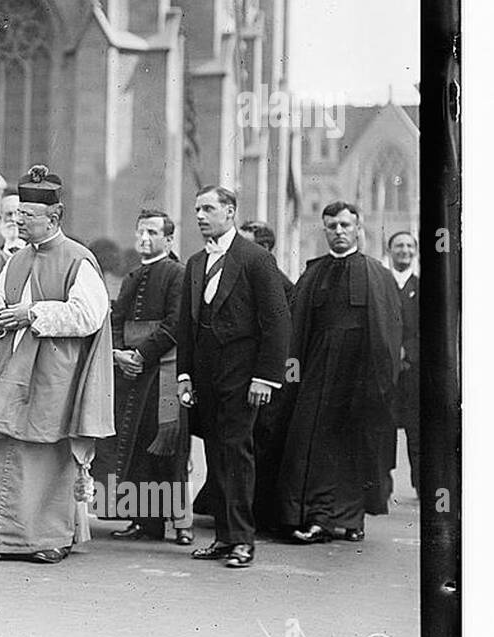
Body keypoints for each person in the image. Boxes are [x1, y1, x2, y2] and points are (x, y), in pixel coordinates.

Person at [0, 166, 114, 562]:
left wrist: (33, 314)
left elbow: (89, 314)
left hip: (54, 372)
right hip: (12, 368)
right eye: (18, 213)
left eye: (28, 215)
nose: (18, 220)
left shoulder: (79, 259)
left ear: (53, 218)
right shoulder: (17, 258)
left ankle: (48, 540)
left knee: (45, 453)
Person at [177, 186, 290, 570]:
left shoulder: (255, 259)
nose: (200, 216)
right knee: (216, 454)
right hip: (207, 376)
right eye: (197, 209)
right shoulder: (196, 262)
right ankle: (225, 538)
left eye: (208, 208)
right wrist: (185, 375)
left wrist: (265, 377)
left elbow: (277, 322)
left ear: (230, 212)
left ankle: (242, 541)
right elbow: (187, 325)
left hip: (244, 376)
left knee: (237, 454)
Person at [277, 202, 402, 543]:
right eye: (332, 226)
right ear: (325, 230)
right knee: (312, 446)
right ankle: (317, 517)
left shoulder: (378, 275)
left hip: (359, 381)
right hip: (316, 379)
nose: (339, 232)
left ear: (358, 227)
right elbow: (296, 333)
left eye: (345, 225)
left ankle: (350, 518)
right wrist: (292, 381)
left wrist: (380, 386)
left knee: (354, 449)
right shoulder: (313, 273)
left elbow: (388, 337)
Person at [97, 209, 193, 545]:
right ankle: (144, 521)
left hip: (164, 370)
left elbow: (175, 323)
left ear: (168, 239)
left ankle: (181, 524)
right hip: (133, 372)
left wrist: (141, 354)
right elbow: (117, 320)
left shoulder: (178, 274)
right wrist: (120, 353)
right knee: (137, 446)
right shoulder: (132, 275)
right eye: (140, 232)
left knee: (169, 448)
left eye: (152, 233)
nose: (144, 238)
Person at [387, 230, 420, 492]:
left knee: (416, 430)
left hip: (413, 371)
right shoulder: (381, 284)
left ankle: (421, 484)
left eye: (409, 246)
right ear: (390, 250)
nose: (404, 251)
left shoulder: (422, 288)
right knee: (382, 428)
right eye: (399, 245)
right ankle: (379, 489)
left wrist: (407, 351)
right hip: (384, 371)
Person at [0, 191, 24, 277]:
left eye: (17, 213)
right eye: (9, 214)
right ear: (0, 218)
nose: (13, 219)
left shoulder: (36, 255)